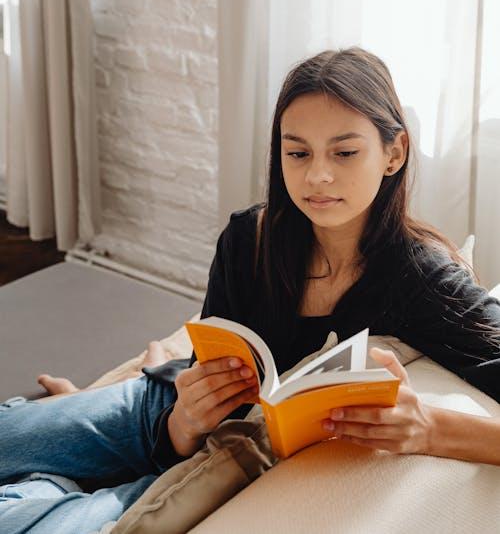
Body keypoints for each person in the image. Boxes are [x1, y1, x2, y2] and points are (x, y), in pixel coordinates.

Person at [1, 47, 499, 534]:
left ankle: (48, 478)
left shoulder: (425, 281)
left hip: (210, 472)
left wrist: (430, 428)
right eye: (297, 152)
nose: (317, 175)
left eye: (345, 152)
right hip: (159, 416)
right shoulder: (249, 239)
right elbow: (198, 376)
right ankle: (64, 457)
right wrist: (180, 416)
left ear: (394, 153)